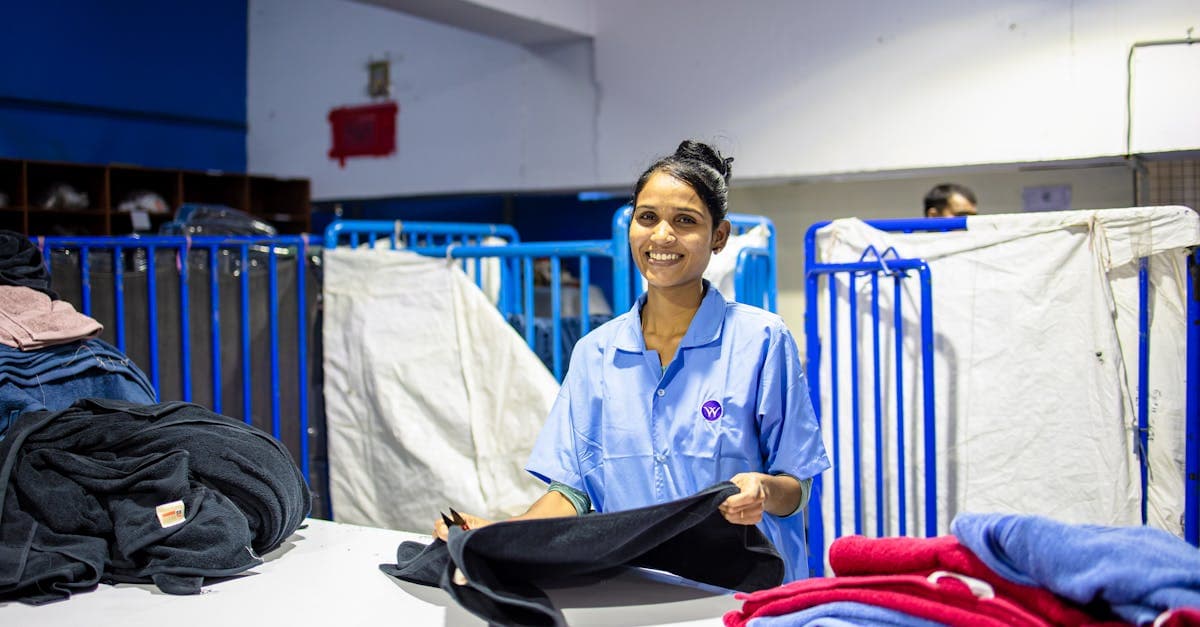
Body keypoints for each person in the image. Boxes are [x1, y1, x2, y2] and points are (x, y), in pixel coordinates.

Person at [433, 140, 830, 582]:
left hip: (743, 591)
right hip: (637, 588)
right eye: (648, 217)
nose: (662, 236)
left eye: (685, 220)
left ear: (719, 236)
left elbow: (797, 486)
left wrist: (764, 490)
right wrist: (499, 536)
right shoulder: (595, 354)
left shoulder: (761, 341)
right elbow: (572, 493)